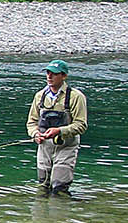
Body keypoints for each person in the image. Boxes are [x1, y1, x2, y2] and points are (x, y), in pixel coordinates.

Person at [26, 59, 88, 196]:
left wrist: (59, 131)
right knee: (43, 186)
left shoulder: (76, 97)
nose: (49, 76)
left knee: (59, 187)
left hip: (66, 147)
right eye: (48, 73)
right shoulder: (39, 96)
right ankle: (41, 216)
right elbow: (31, 122)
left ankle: (60, 215)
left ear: (64, 76)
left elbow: (81, 125)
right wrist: (35, 134)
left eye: (54, 74)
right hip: (44, 147)